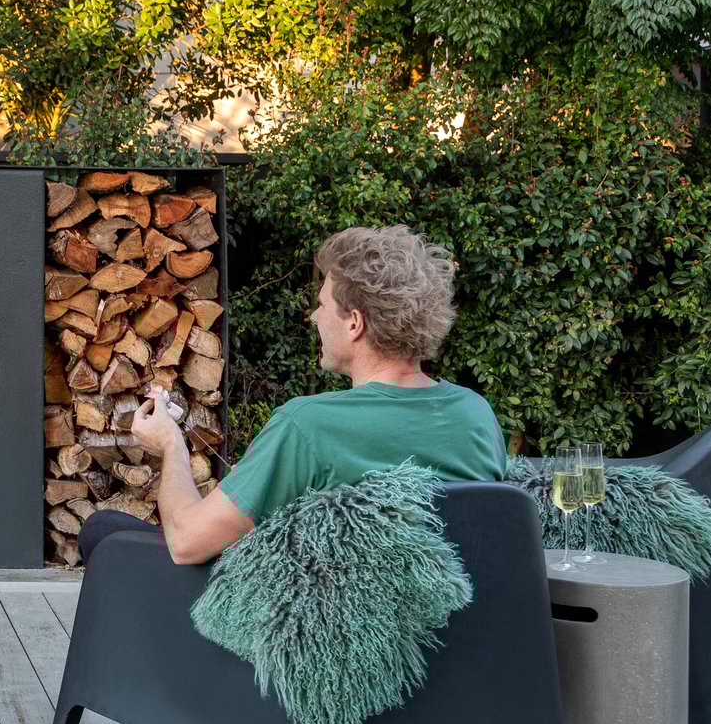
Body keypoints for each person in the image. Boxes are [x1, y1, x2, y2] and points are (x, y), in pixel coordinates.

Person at [80, 224, 508, 567]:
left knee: (103, 529)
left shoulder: (308, 425)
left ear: (354, 322)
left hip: (324, 638)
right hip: (452, 642)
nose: (313, 316)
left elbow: (188, 544)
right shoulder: (475, 414)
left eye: (322, 305)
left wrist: (171, 445)